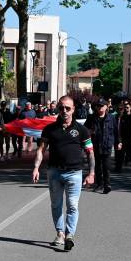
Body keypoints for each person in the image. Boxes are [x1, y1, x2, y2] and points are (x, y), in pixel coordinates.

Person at [32, 96, 95, 252]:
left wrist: (91, 173)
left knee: (72, 205)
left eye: (67, 108)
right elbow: (41, 149)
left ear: (73, 109)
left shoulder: (82, 130)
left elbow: (90, 152)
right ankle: (60, 233)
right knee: (56, 205)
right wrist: (36, 167)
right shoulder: (49, 129)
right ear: (58, 109)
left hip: (74, 173)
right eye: (61, 108)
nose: (64, 111)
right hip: (54, 172)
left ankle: (69, 235)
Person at [85, 99, 120, 194]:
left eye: (102, 106)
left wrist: (118, 142)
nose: (100, 107)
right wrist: (89, 132)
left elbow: (116, 131)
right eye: (98, 106)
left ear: (106, 107)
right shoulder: (91, 117)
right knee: (97, 166)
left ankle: (107, 185)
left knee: (106, 166)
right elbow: (85, 130)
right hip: (95, 145)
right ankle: (99, 184)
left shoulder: (111, 118)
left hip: (106, 145)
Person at [115, 103, 131, 171]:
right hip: (123, 137)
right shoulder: (122, 116)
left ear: (130, 108)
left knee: (128, 151)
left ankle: (127, 160)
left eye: (128, 107)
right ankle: (119, 167)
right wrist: (119, 136)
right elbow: (119, 127)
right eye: (125, 107)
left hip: (130, 137)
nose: (126, 109)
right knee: (121, 152)